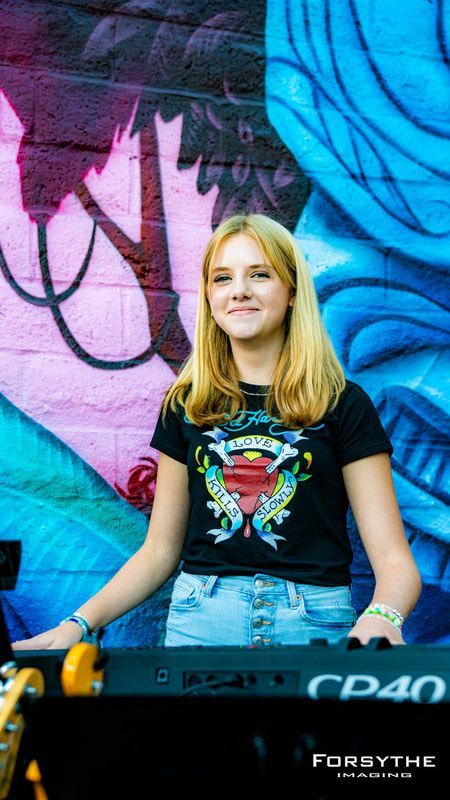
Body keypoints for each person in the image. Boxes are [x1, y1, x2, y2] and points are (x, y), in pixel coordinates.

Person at [13, 213, 421, 651]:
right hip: (202, 624)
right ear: (209, 297)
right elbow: (158, 553)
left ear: (292, 291)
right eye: (222, 278)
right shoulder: (187, 404)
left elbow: (396, 563)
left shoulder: (342, 403)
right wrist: (77, 625)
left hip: (314, 625)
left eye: (259, 274)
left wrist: (382, 617)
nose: (239, 290)